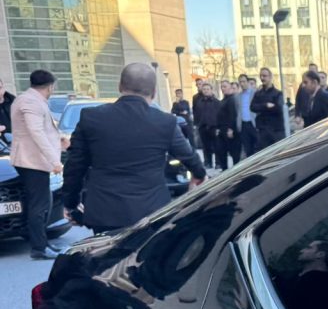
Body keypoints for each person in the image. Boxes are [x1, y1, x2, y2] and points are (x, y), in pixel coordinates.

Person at [62, 63, 206, 233]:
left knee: (108, 251)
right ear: (154, 92)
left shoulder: (91, 117)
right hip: (152, 212)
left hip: (105, 213)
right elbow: (189, 157)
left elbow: (74, 167)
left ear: (120, 86)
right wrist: (198, 175)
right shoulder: (165, 122)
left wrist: (71, 204)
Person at [10, 69, 62, 259]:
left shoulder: (27, 99)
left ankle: (42, 244)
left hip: (31, 160)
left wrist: (60, 142)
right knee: (39, 205)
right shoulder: (31, 102)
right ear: (50, 87)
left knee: (40, 203)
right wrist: (55, 161)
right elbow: (36, 133)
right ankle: (39, 248)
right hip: (31, 161)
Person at [251, 67, 285, 150]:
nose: (262, 78)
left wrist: (261, 108)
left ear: (270, 77)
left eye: (264, 76)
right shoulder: (258, 94)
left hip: (275, 130)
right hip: (263, 130)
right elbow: (252, 107)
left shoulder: (277, 93)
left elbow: (278, 109)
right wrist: (265, 105)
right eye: (261, 76)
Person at [193, 82, 219, 169]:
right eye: (204, 89)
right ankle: (208, 163)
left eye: (208, 89)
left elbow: (220, 115)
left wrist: (218, 127)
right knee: (205, 146)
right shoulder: (199, 102)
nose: (206, 91)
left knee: (216, 146)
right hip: (203, 127)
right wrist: (196, 124)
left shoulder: (216, 102)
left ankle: (218, 163)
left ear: (211, 90)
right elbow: (196, 114)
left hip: (214, 127)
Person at [215, 80, 241, 170]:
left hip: (230, 130)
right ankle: (224, 170)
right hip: (222, 130)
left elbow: (233, 115)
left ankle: (236, 171)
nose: (223, 89)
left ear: (230, 87)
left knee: (234, 153)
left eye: (225, 86)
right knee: (221, 151)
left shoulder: (232, 99)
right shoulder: (223, 100)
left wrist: (231, 129)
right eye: (222, 87)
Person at [236, 74, 257, 158]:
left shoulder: (255, 93)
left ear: (248, 82)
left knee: (258, 147)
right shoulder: (238, 96)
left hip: (254, 123)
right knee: (247, 149)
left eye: (244, 81)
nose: (242, 84)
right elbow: (238, 111)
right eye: (240, 82)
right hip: (243, 125)